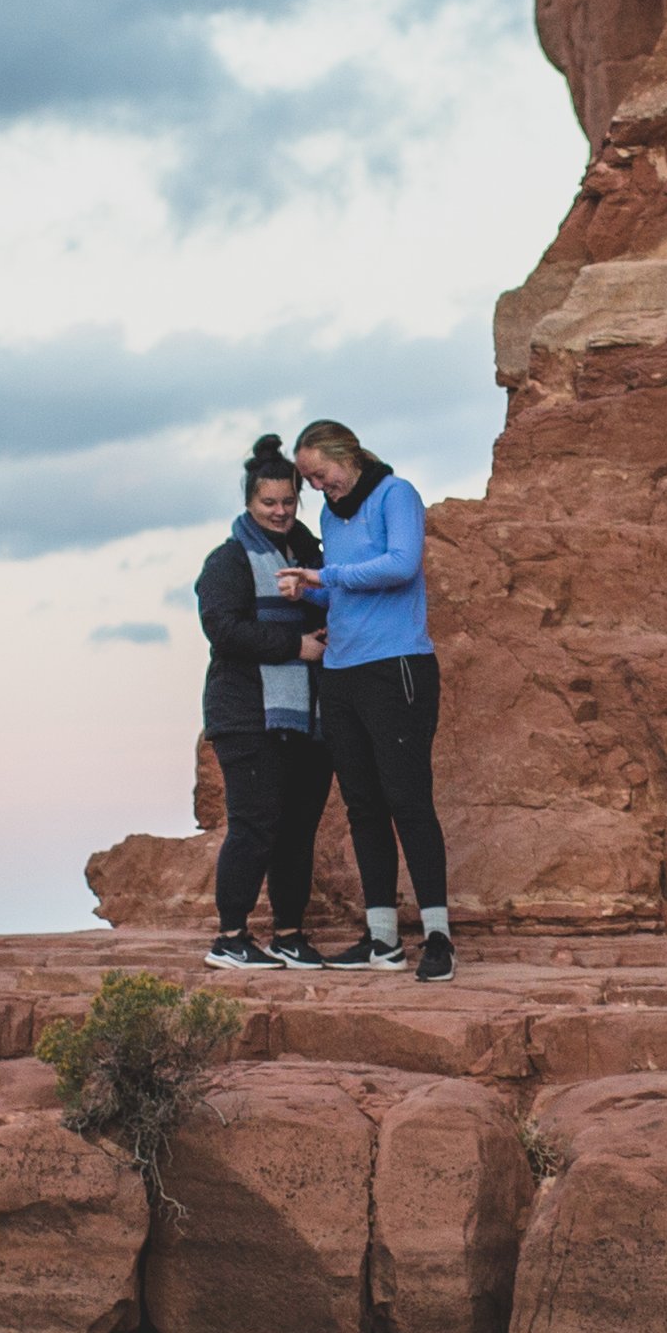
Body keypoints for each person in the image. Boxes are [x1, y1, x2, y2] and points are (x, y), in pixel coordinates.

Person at [278, 416, 453, 982]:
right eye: (308, 481)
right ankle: (382, 939)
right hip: (343, 670)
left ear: (345, 456)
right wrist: (315, 586)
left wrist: (329, 574)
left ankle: (438, 937)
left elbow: (402, 565)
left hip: (396, 664)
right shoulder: (332, 513)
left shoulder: (395, 495)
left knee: (409, 800)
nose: (317, 488)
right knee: (363, 807)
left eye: (319, 474)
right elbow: (344, 582)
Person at [192, 433, 335, 969]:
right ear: (249, 502)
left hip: (308, 718)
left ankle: (289, 935)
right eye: (267, 503)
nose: (279, 512)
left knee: (298, 829)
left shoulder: (312, 554)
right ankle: (230, 938)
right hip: (247, 715)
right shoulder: (227, 561)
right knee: (255, 827)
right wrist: (295, 646)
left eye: (288, 502)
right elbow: (223, 631)